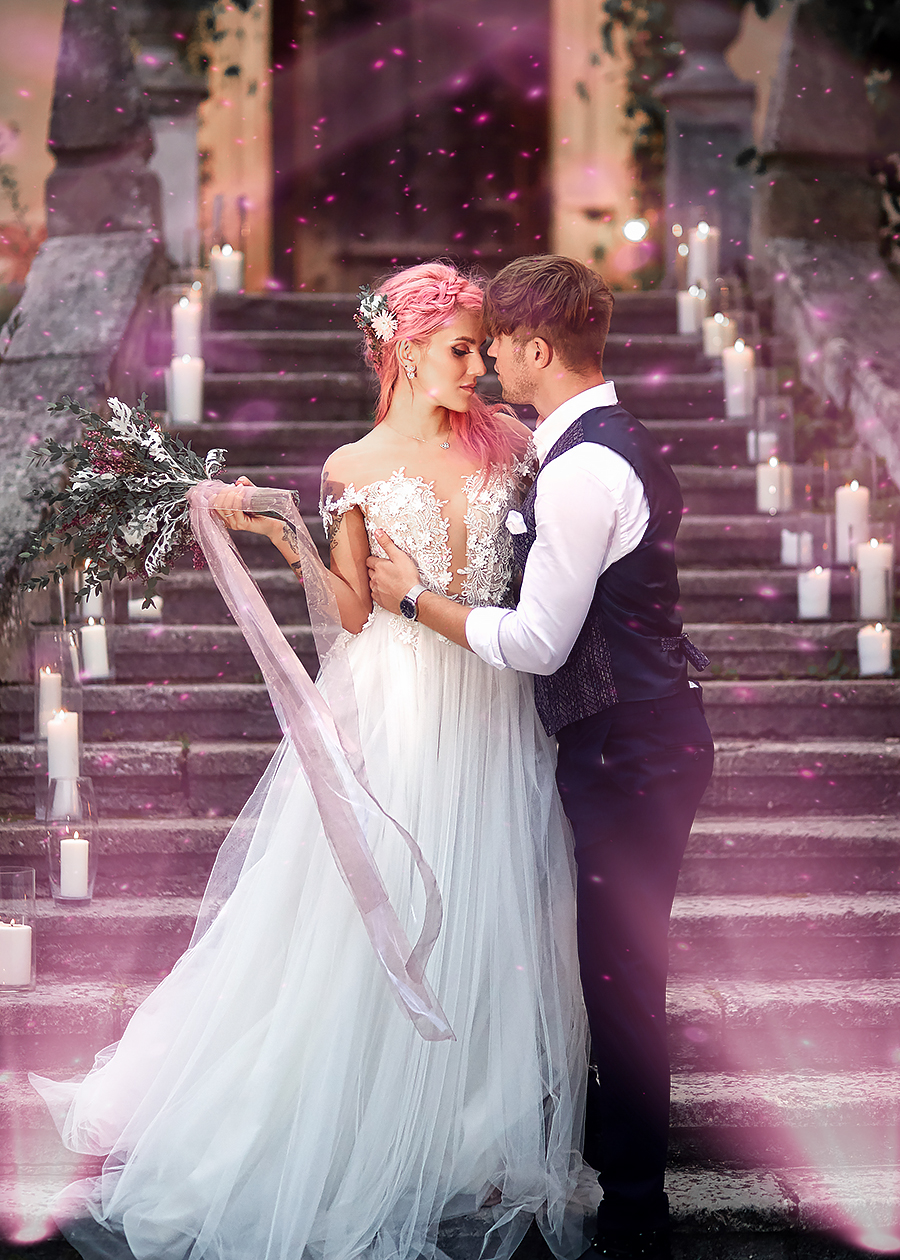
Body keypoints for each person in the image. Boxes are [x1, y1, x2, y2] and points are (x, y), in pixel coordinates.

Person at [32, 262, 598, 1260]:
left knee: (492, 900)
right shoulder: (354, 465)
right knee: (383, 907)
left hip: (493, 701)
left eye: (483, 348)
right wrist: (284, 534)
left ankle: (473, 1117)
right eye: (461, 348)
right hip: (399, 707)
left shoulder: (518, 445)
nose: (479, 366)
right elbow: (348, 612)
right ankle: (361, 1106)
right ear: (405, 350)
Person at [368, 255, 715, 1260]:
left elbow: (536, 643)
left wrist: (412, 598)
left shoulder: (585, 468)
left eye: (497, 348)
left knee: (621, 978)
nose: (487, 367)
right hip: (639, 736)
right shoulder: (598, 443)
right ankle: (613, 1152)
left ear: (534, 347)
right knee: (611, 966)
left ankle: (637, 1212)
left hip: (631, 750)